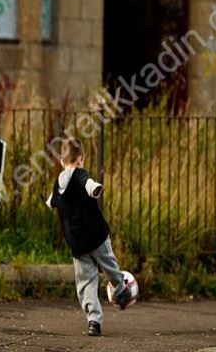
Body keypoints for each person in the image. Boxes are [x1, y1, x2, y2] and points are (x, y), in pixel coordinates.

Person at [46, 137, 133, 337]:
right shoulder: (80, 174)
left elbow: (53, 200)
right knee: (109, 265)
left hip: (77, 242)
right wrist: (95, 188)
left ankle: (94, 321)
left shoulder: (58, 182)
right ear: (81, 159)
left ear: (61, 161)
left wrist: (51, 202)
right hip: (96, 235)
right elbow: (88, 183)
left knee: (86, 282)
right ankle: (121, 290)